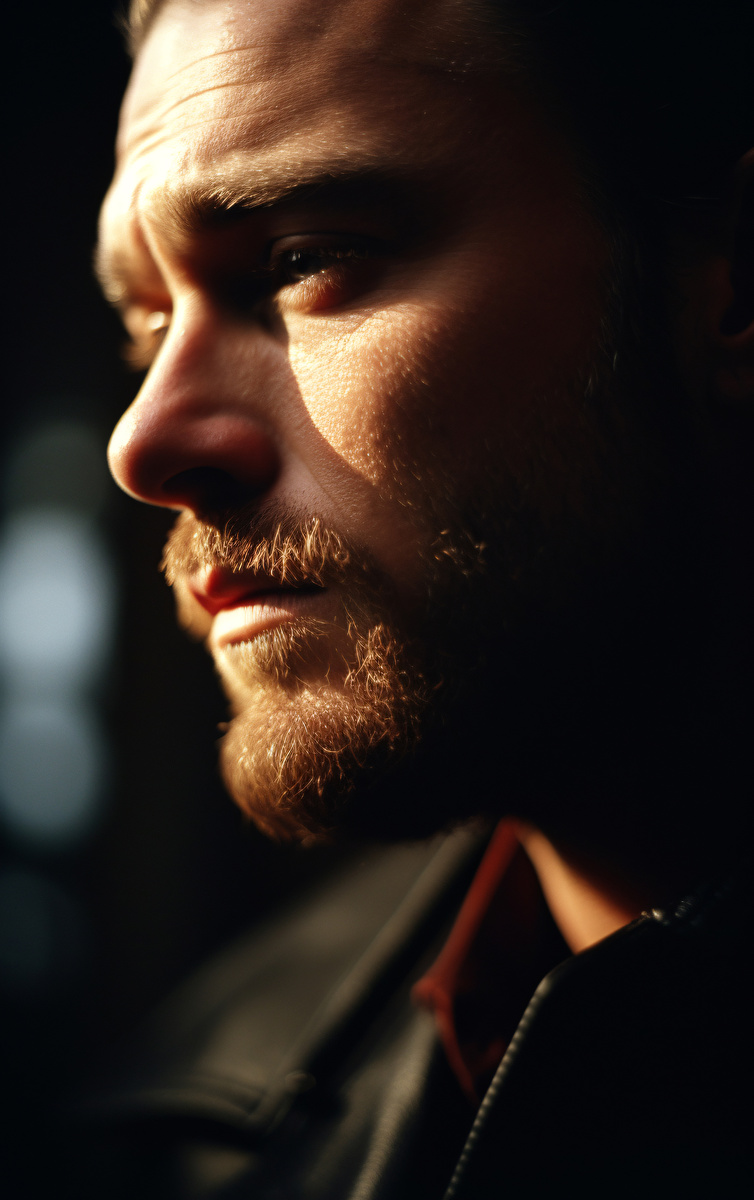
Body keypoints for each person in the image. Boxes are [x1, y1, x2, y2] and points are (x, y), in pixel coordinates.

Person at [88, 0, 753, 1195]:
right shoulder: (196, 1119)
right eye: (149, 322)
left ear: (736, 282)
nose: (142, 444)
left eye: (303, 260)